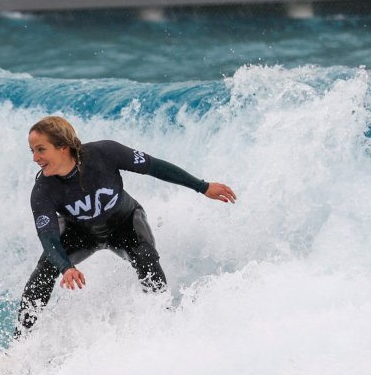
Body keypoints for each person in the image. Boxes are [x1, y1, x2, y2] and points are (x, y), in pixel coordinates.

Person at [15, 116, 236, 338]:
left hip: (125, 221)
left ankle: (167, 327)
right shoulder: (43, 190)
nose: (35, 158)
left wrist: (202, 186)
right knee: (44, 271)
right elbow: (48, 237)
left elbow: (154, 166)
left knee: (145, 256)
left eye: (40, 149)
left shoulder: (104, 153)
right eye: (32, 151)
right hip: (80, 233)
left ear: (63, 147)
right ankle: (20, 341)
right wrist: (66, 268)